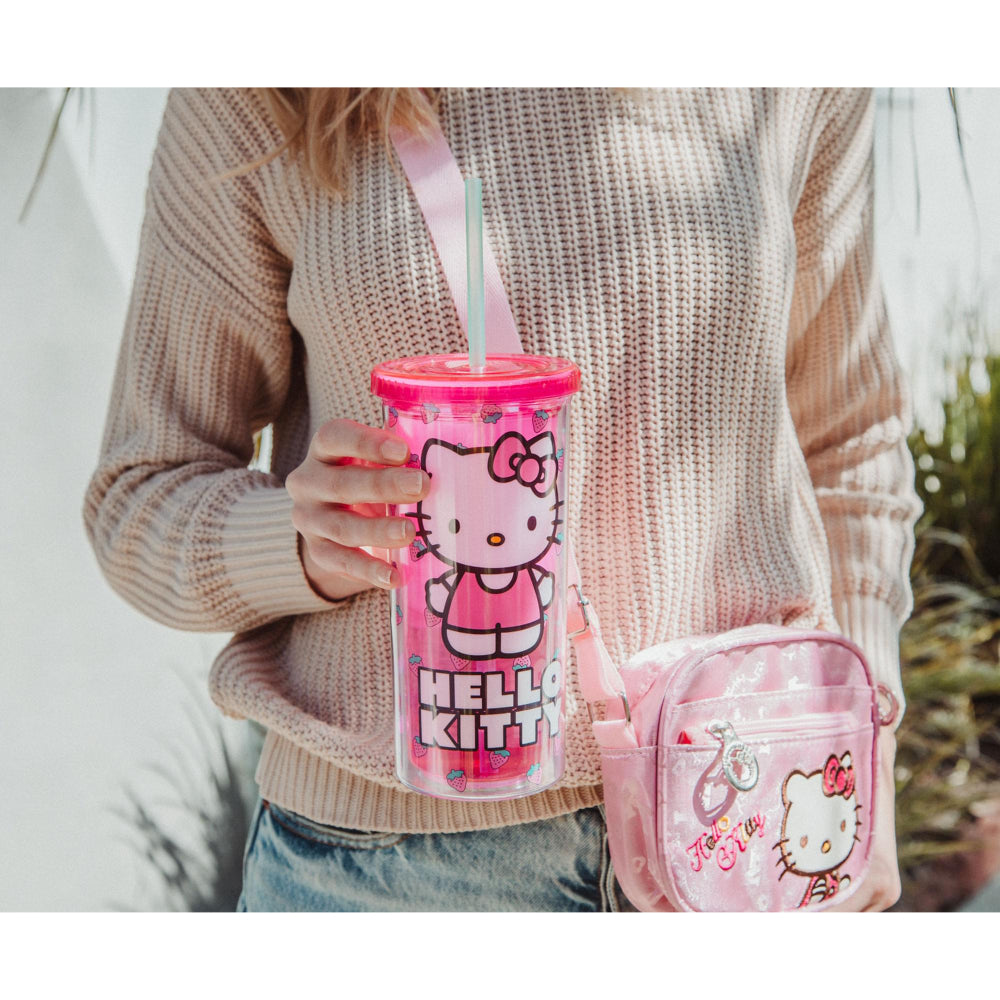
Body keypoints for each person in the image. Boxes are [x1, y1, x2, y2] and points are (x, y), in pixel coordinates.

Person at [83, 87, 921, 912]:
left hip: (747, 820)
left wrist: (863, 751)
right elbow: (140, 494)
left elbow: (850, 442)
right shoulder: (269, 86)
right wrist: (304, 544)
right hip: (390, 877)